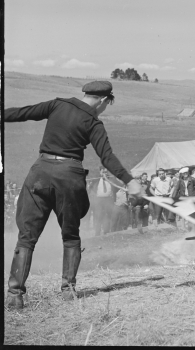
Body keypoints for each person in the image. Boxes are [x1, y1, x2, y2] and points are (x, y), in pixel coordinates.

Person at [4, 80, 141, 309]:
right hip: (69, 176)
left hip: (40, 171)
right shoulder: (94, 123)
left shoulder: (57, 105)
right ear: (104, 100)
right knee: (70, 236)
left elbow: (22, 113)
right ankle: (68, 291)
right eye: (107, 104)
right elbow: (106, 158)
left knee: (26, 237)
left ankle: (14, 295)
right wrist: (130, 181)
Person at [94, 167, 115, 236]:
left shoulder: (110, 180)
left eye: (106, 172)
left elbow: (114, 190)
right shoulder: (96, 180)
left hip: (108, 200)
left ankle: (106, 232)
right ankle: (97, 233)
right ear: (100, 172)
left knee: (107, 216)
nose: (104, 173)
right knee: (99, 216)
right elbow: (91, 190)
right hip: (99, 201)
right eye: (103, 172)